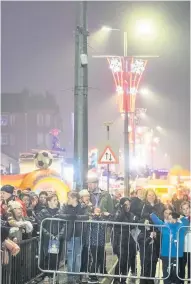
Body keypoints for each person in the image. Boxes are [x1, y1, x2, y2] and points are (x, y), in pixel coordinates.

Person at [150, 211, 189, 284]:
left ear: (176, 219)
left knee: (176, 273)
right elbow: (157, 221)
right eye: (169, 219)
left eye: (173, 218)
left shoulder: (181, 227)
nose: (171, 220)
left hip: (176, 255)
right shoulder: (165, 226)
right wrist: (152, 214)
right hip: (165, 255)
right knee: (166, 273)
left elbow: (186, 221)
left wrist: (180, 216)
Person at [59, 191, 89, 284]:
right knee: (71, 257)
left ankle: (76, 276)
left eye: (70, 197)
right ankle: (70, 276)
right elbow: (61, 215)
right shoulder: (65, 206)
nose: (68, 199)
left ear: (74, 198)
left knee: (78, 256)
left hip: (79, 235)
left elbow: (86, 216)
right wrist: (71, 217)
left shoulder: (82, 207)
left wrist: (75, 217)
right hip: (70, 235)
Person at [37, 194, 64, 283]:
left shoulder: (60, 212)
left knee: (55, 257)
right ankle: (46, 275)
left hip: (57, 239)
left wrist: (59, 235)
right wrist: (49, 235)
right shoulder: (43, 212)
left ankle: (54, 275)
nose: (56, 202)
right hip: (46, 239)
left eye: (56, 200)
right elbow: (41, 225)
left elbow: (64, 225)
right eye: (54, 200)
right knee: (46, 256)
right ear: (48, 202)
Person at [112, 198, 137, 284]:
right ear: (122, 205)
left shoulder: (131, 214)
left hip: (128, 239)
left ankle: (123, 279)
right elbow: (116, 221)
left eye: (129, 204)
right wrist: (121, 210)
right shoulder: (119, 212)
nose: (128, 206)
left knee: (128, 260)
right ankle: (116, 279)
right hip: (119, 239)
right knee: (121, 259)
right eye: (125, 204)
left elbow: (133, 225)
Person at [88, 208, 111, 284]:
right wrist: (95, 216)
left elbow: (108, 222)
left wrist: (108, 215)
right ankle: (92, 276)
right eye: (96, 210)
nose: (98, 211)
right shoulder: (92, 219)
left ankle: (101, 272)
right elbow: (92, 224)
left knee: (101, 258)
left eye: (99, 210)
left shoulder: (102, 220)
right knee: (95, 259)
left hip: (101, 243)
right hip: (94, 243)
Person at [179, 201, 191, 283]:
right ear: (181, 211)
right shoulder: (180, 220)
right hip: (182, 249)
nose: (186, 211)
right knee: (181, 271)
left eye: (187, 208)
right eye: (184, 209)